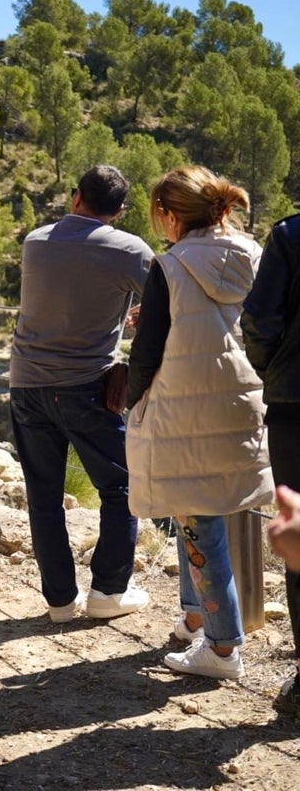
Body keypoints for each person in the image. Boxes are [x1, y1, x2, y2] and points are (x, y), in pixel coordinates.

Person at [126, 166, 273, 681]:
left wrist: (131, 400)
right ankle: (193, 621)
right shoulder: (256, 254)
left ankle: (223, 647)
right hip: (245, 404)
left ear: (169, 216)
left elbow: (147, 354)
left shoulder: (169, 266)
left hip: (185, 408)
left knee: (196, 521)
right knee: (200, 514)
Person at [8, 165, 153, 623]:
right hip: (88, 386)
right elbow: (172, 303)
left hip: (27, 383)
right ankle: (108, 591)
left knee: (44, 495)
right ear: (121, 210)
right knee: (121, 486)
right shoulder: (130, 250)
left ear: (75, 198)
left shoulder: (35, 241)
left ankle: (60, 602)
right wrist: (131, 355)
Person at [241, 212, 300, 708]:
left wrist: (275, 370)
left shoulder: (290, 235)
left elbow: (259, 320)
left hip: (296, 406)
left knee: (299, 536)